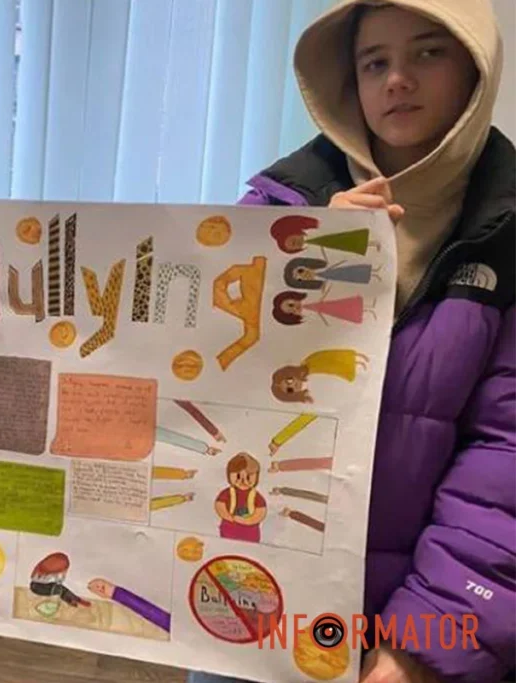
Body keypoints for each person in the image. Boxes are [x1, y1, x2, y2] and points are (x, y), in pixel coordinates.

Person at [190, 1, 514, 682]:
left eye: (428, 52)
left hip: (407, 623)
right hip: (250, 591)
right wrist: (298, 262)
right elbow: (204, 380)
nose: (397, 79)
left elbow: (504, 461)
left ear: (477, 68)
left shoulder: (506, 232)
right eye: (374, 62)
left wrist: (416, 644)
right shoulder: (279, 207)